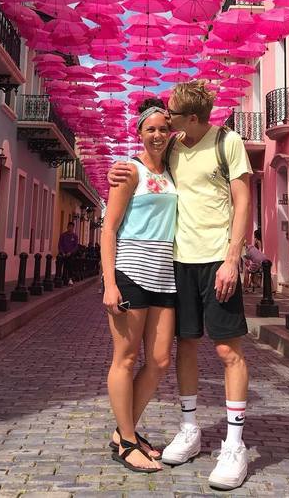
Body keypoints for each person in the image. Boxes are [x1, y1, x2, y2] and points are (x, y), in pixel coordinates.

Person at [109, 81, 252, 490]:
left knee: (226, 350)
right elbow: (142, 169)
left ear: (191, 117)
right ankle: (188, 430)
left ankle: (234, 445)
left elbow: (243, 200)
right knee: (184, 345)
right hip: (178, 263)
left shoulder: (227, 142)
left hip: (216, 260)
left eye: (169, 115)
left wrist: (232, 258)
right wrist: (119, 169)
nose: (164, 122)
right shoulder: (172, 147)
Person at [101, 105, 177, 473]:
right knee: (126, 358)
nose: (158, 135)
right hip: (132, 270)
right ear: (139, 134)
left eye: (163, 128)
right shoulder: (130, 171)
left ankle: (123, 431)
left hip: (166, 275)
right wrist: (109, 283)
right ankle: (128, 443)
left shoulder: (174, 169)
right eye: (151, 129)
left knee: (160, 361)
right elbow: (109, 228)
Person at [58, 222, 78, 286]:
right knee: (62, 264)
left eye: (71, 227)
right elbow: (60, 244)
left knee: (70, 265)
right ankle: (61, 278)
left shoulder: (75, 236)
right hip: (63, 254)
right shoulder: (63, 235)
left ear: (73, 228)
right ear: (67, 227)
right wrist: (62, 252)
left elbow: (75, 246)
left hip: (70, 254)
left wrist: (71, 252)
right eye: (69, 227)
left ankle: (70, 279)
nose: (70, 228)